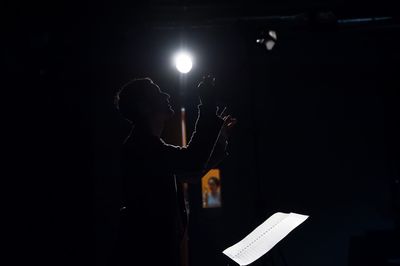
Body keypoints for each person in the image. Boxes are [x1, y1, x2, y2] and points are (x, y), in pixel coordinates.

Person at [111, 76, 236, 266]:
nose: (167, 95)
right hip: (147, 253)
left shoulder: (145, 145)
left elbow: (191, 172)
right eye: (158, 92)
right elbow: (192, 162)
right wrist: (208, 105)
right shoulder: (142, 147)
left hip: (151, 250)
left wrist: (218, 142)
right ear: (144, 107)